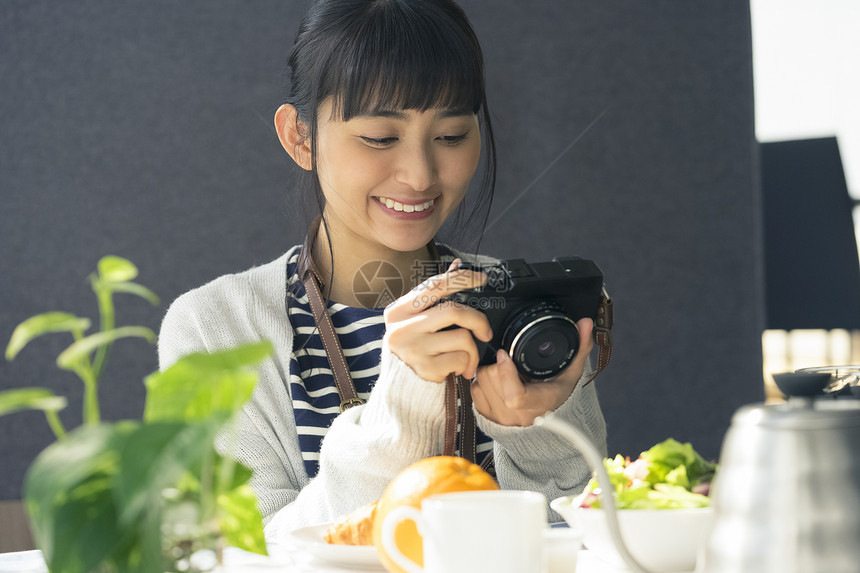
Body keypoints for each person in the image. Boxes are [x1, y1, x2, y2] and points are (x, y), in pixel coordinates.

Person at [157, 0, 607, 542]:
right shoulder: (214, 328)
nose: (419, 175)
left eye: (451, 136)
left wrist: (536, 434)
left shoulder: (529, 313)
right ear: (300, 137)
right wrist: (404, 403)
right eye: (379, 137)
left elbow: (585, 538)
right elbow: (253, 551)